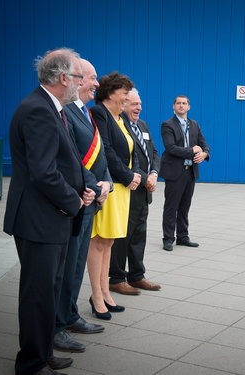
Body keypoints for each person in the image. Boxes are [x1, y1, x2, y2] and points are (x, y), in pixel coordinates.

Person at [3, 48, 95, 375]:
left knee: (49, 292)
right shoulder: (38, 110)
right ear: (62, 78)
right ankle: (30, 363)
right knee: (38, 297)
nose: (82, 83)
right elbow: (43, 171)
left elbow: (60, 162)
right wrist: (74, 201)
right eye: (79, 77)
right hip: (39, 219)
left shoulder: (54, 108)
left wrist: (79, 188)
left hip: (50, 217)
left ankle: (42, 353)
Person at [53, 59, 112, 353]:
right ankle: (59, 324)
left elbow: (100, 154)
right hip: (79, 199)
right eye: (92, 78)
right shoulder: (65, 113)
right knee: (68, 268)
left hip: (91, 198)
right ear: (74, 79)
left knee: (76, 266)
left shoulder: (83, 112)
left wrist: (107, 183)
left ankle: (70, 315)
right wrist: (94, 185)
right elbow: (72, 159)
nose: (96, 84)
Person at [88, 73, 140, 318]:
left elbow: (133, 148)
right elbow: (106, 150)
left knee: (109, 241)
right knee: (98, 241)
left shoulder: (122, 117)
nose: (127, 97)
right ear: (110, 93)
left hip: (122, 189)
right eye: (124, 93)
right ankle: (96, 295)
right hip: (110, 185)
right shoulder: (100, 113)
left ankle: (105, 292)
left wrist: (135, 173)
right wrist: (129, 176)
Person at [110, 89, 161, 294]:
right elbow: (122, 159)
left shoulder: (143, 125)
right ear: (123, 104)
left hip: (144, 189)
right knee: (123, 235)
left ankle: (137, 275)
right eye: (133, 104)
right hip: (128, 188)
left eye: (140, 104)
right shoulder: (118, 126)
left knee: (139, 233)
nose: (138, 108)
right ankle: (116, 277)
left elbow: (154, 152)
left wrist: (155, 174)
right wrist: (144, 177)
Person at [160, 95, 210, 251]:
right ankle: (168, 238)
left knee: (184, 207)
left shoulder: (194, 124)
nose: (181, 106)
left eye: (184, 103)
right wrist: (192, 151)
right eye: (178, 103)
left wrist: (204, 154)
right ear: (173, 106)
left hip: (190, 172)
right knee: (171, 207)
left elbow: (204, 145)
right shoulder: (167, 125)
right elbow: (171, 148)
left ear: (189, 107)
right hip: (175, 172)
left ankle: (182, 237)